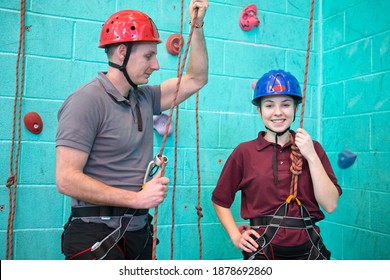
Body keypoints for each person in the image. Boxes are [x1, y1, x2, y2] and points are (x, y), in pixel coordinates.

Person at [56, 0, 208, 260]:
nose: (156, 65)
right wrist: (135, 199)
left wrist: (197, 25)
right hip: (96, 235)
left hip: (137, 233)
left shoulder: (144, 98)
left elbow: (196, 79)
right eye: (148, 56)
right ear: (122, 53)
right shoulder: (86, 100)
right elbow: (66, 178)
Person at [212, 69, 342, 260]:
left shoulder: (313, 149)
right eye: (269, 105)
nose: (278, 112)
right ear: (259, 110)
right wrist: (236, 236)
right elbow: (220, 200)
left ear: (296, 108)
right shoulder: (245, 152)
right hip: (263, 252)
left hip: (309, 251)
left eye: (286, 104)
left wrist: (311, 156)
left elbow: (330, 205)